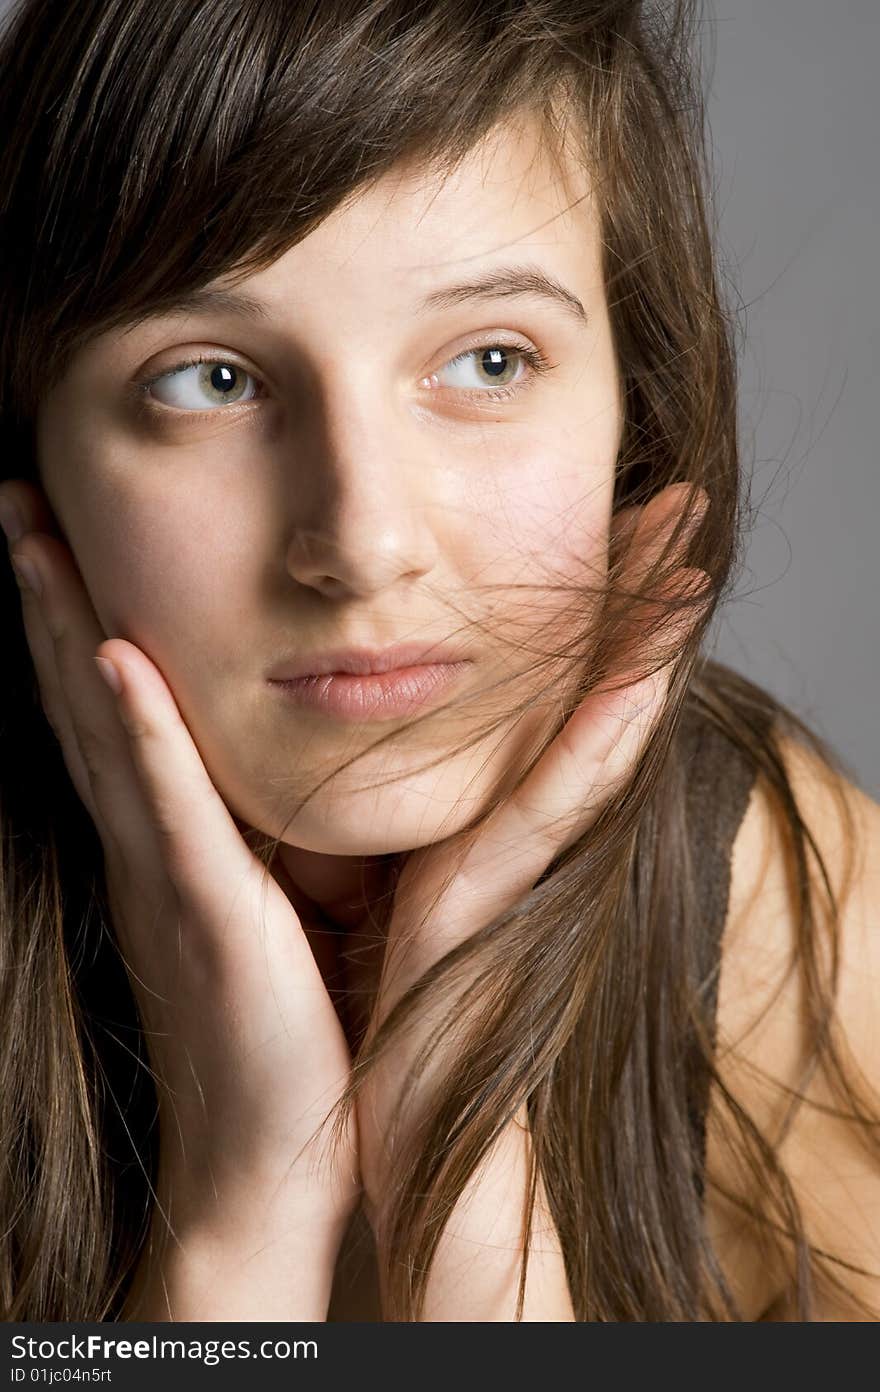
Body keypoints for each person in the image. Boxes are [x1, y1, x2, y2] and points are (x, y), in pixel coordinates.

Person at [0, 0, 877, 1324]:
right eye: (210, 382)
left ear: (634, 421)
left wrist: (466, 1213)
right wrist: (244, 1220)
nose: (363, 544)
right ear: (33, 458)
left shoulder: (766, 894)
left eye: (488, 359)